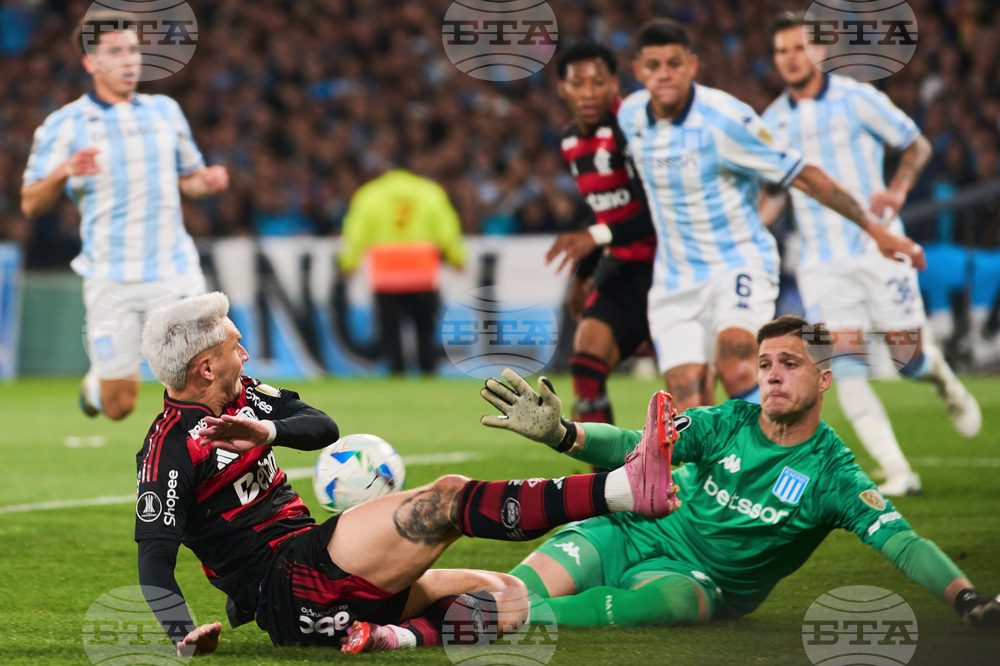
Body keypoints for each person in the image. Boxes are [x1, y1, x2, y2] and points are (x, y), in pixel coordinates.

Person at [134, 292, 681, 656]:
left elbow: (322, 427)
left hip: (319, 579)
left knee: (511, 597)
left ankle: (390, 637)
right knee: (446, 499)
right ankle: (623, 489)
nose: (246, 354)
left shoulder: (247, 397)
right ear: (205, 367)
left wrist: (269, 433)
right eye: (235, 346)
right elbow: (153, 560)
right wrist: (182, 633)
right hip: (288, 581)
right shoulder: (170, 447)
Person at [480, 316, 1000, 630]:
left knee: (673, 602)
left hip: (693, 579)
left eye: (789, 364)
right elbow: (642, 447)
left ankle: (496, 625)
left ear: (824, 379)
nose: (771, 374)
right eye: (766, 362)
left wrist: (968, 600)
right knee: (507, 591)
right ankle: (425, 619)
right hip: (630, 530)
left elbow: (903, 544)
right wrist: (564, 433)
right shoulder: (729, 421)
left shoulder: (833, 475)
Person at [546, 19, 925, 414]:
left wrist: (876, 229)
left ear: (692, 67)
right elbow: (612, 192)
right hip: (675, 280)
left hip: (737, 263)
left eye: (674, 64)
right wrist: (588, 269)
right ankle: (722, 473)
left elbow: (806, 177)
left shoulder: (726, 119)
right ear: (639, 73)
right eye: (653, 66)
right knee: (688, 402)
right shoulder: (632, 118)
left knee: (737, 365)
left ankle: (793, 461)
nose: (664, 75)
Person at [760, 12, 981, 496]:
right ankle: (898, 470)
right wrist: (757, 220)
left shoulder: (855, 97)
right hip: (821, 261)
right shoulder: (771, 122)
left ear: (818, 50)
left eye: (798, 47)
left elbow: (916, 146)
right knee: (839, 361)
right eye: (781, 51)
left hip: (879, 247)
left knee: (910, 357)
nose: (790, 58)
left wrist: (898, 190)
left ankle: (942, 378)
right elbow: (776, 189)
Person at [19, 10, 228, 421]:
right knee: (119, 407)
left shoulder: (164, 112)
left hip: (174, 268)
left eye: (133, 50)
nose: (129, 60)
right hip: (111, 275)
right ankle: (98, 384)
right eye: (115, 51)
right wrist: (64, 170)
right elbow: (29, 201)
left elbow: (190, 180)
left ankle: (209, 470)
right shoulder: (65, 125)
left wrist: (208, 181)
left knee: (209, 380)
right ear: (90, 62)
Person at [554, 41, 657, 427]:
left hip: (669, 265)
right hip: (623, 269)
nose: (588, 93)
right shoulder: (570, 142)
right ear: (562, 88)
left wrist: (593, 239)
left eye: (598, 83)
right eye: (578, 84)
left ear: (614, 84)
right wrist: (583, 276)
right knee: (586, 364)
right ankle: (606, 482)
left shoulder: (633, 130)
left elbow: (655, 215)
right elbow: (604, 212)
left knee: (689, 383)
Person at [337, 166, 466, 375]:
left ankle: (397, 371)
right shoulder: (429, 192)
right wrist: (457, 258)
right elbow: (447, 229)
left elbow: (355, 233)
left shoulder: (369, 194)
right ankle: (427, 371)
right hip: (422, 274)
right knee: (424, 328)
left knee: (391, 331)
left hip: (387, 276)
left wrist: (348, 264)